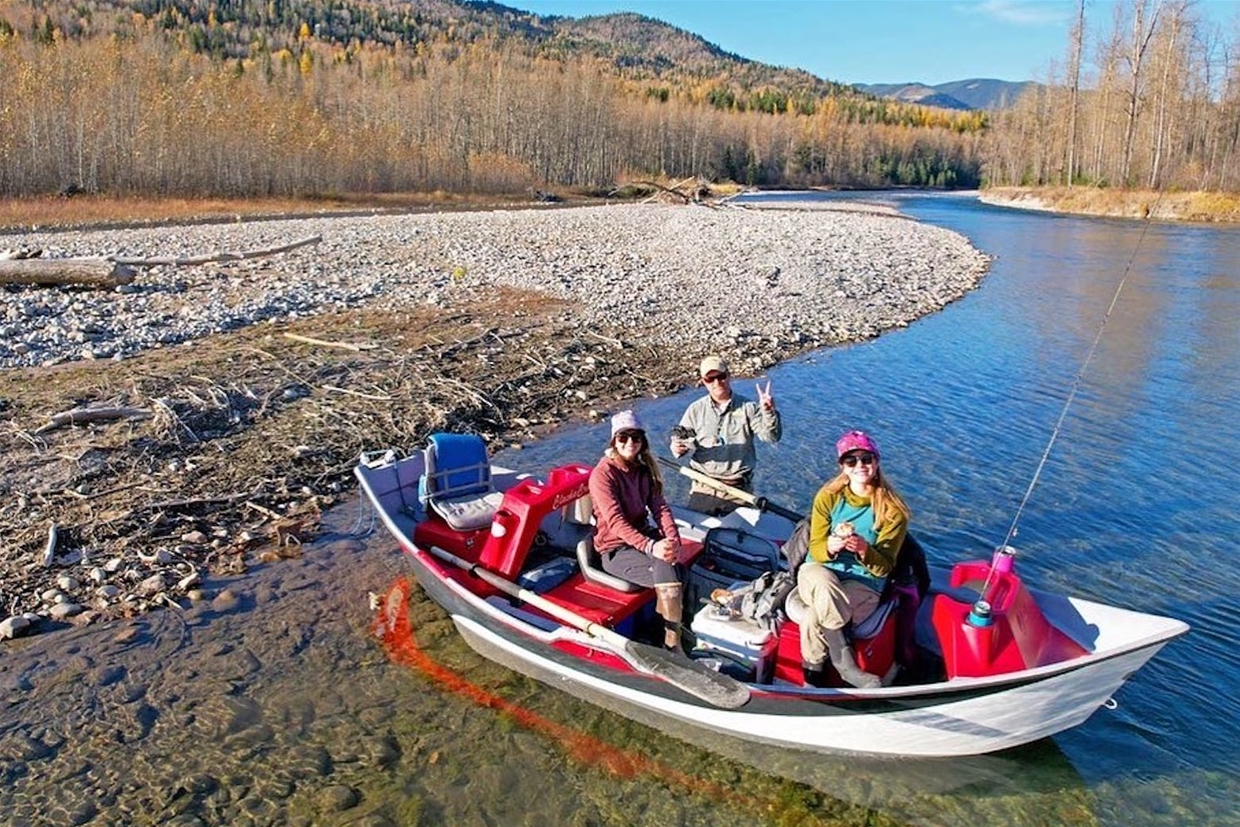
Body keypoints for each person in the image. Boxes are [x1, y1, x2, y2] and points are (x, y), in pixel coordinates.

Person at [796, 430, 910, 688]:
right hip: (819, 569)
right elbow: (815, 546)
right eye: (851, 461)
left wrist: (863, 550)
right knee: (824, 586)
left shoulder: (893, 511)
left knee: (815, 616)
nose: (860, 466)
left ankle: (812, 681)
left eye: (866, 459)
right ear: (842, 466)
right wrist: (831, 546)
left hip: (863, 581)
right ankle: (845, 666)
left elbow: (884, 568)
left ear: (877, 462)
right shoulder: (828, 496)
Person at [589, 410, 686, 651]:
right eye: (623, 437)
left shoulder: (643, 470)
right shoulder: (603, 475)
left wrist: (672, 539)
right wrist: (652, 546)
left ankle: (673, 630)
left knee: (680, 568)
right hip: (615, 549)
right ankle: (671, 645)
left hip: (642, 538)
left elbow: (660, 507)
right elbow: (615, 521)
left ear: (643, 442)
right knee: (665, 569)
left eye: (636, 437)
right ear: (614, 440)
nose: (630, 443)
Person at [669, 355, 782, 515]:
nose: (717, 383)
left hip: (739, 491)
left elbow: (771, 437)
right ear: (703, 381)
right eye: (710, 379)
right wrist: (677, 448)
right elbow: (680, 443)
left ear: (728, 375)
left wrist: (768, 412)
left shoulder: (749, 407)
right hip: (703, 489)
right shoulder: (695, 410)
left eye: (721, 376)